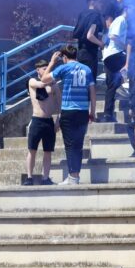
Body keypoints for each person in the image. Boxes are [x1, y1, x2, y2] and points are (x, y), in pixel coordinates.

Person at [38, 45, 95, 185]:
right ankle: (75, 175)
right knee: (79, 144)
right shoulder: (87, 69)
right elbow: (92, 92)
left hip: (69, 111)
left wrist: (51, 62)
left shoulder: (64, 68)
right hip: (82, 111)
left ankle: (72, 177)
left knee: (70, 145)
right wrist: (92, 112)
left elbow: (44, 79)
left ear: (64, 57)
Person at [24, 58, 61, 185]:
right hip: (37, 120)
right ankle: (29, 177)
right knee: (32, 150)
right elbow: (40, 85)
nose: (47, 71)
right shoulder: (32, 81)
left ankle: (46, 177)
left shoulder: (54, 85)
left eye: (48, 68)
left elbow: (59, 104)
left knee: (48, 151)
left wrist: (58, 121)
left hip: (49, 121)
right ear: (38, 70)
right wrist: (49, 73)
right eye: (44, 69)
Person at [100, 4, 128, 123]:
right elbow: (113, 36)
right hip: (115, 54)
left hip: (109, 55)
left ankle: (107, 114)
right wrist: (126, 47)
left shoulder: (120, 21)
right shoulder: (121, 19)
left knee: (112, 85)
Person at [72, 0, 105, 79]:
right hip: (90, 53)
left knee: (82, 81)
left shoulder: (82, 13)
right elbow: (90, 35)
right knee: (90, 82)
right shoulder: (95, 15)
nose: (102, 4)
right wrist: (100, 43)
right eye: (100, 2)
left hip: (80, 52)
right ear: (92, 2)